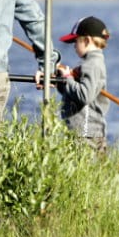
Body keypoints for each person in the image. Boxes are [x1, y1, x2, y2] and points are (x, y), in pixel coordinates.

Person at [37, 15, 111, 153]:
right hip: (86, 132)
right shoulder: (91, 63)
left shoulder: (92, 64)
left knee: (87, 165)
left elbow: (84, 96)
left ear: (87, 40)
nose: (74, 46)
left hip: (86, 133)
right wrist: (61, 80)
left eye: (76, 41)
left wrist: (68, 78)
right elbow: (73, 95)